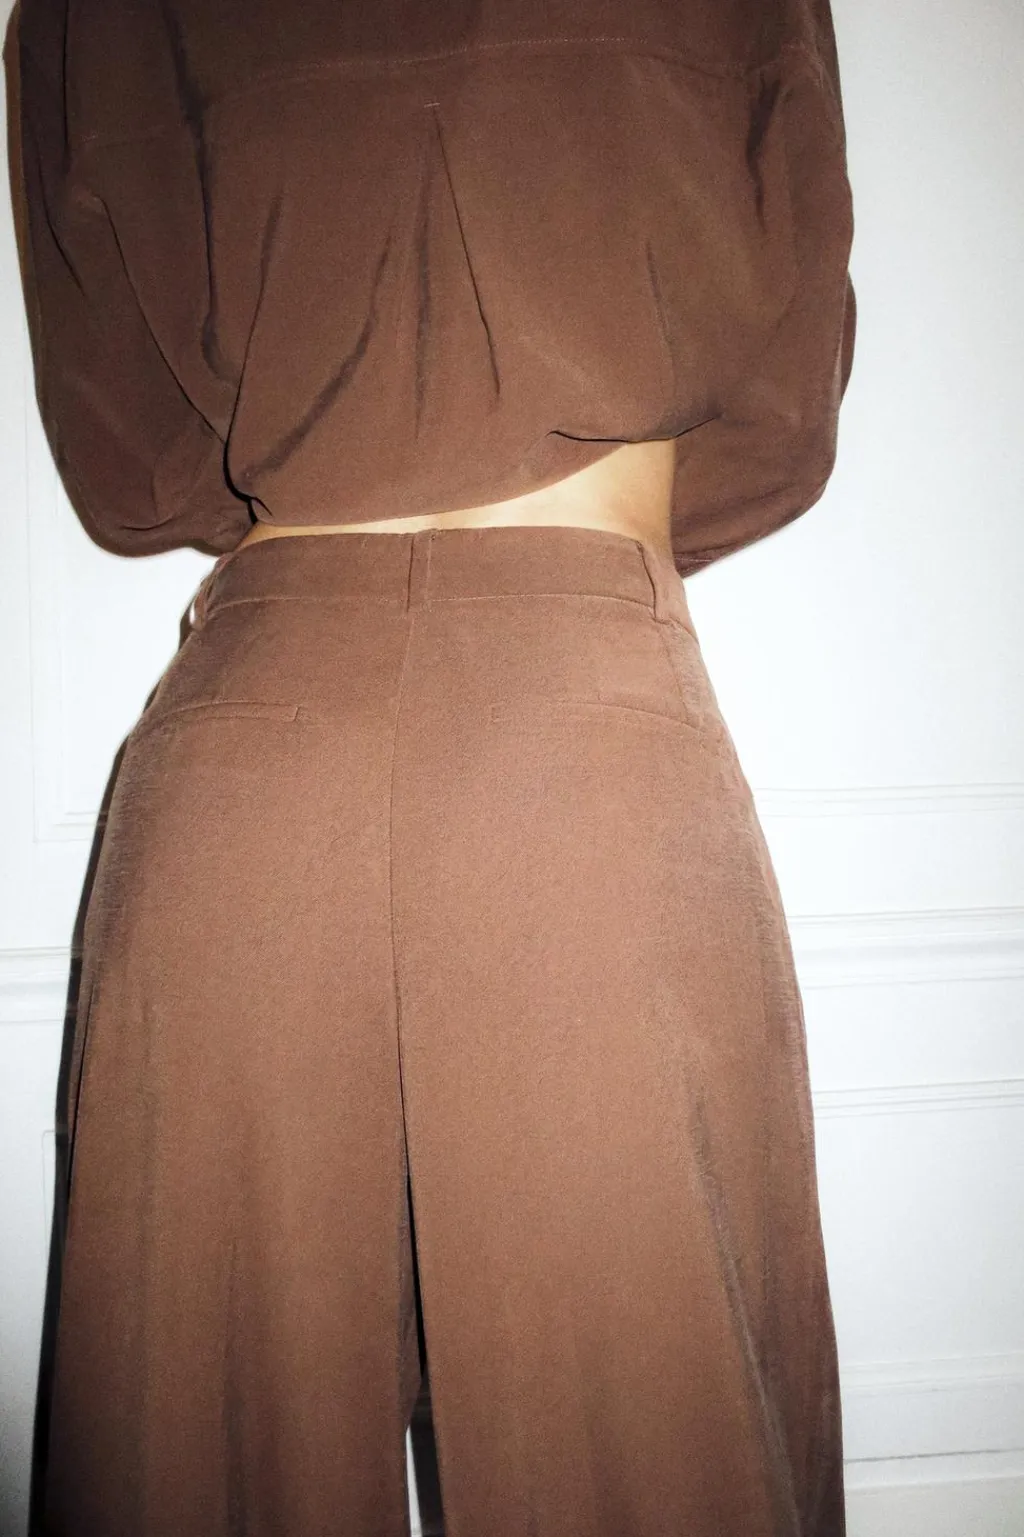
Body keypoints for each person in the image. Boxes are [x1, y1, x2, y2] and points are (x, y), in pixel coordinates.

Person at [12, 0, 857, 1532]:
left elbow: (131, 459)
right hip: (582, 737)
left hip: (255, 751)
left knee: (196, 1469)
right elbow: (785, 403)